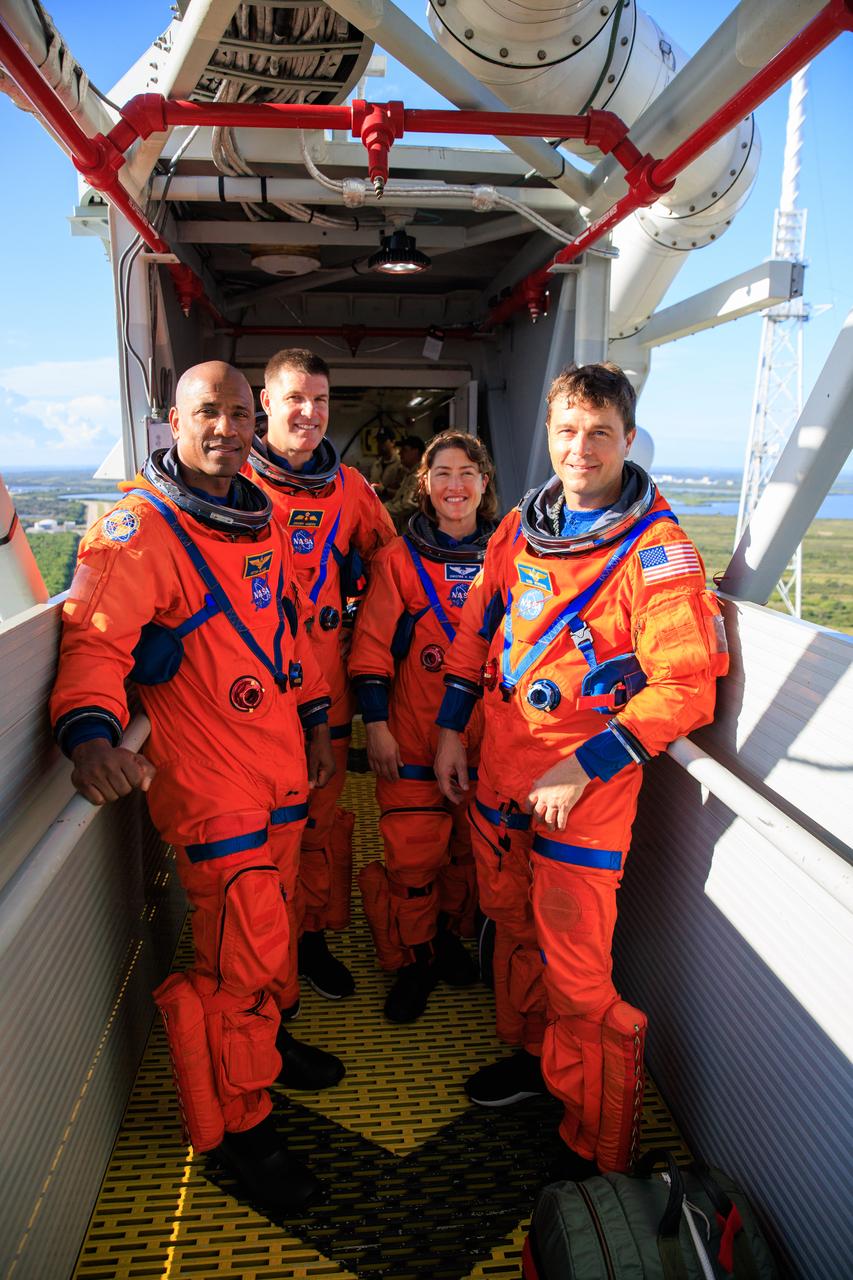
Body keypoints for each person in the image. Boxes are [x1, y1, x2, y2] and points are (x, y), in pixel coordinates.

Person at [49, 361, 345, 1213]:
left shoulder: (260, 520)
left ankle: (272, 1047)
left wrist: (320, 728)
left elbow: (288, 638)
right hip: (215, 793)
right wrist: (93, 735)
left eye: (238, 413)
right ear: (170, 421)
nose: (225, 427)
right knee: (238, 969)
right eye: (205, 412)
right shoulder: (136, 531)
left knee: (274, 942)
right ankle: (241, 1131)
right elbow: (94, 646)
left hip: (282, 772)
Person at [434, 363, 729, 1177]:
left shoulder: (657, 551)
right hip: (499, 775)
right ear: (549, 436)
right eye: (567, 430)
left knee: (576, 974)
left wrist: (584, 763)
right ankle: (538, 1068)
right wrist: (452, 730)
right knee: (514, 927)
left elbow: (685, 687)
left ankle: (592, 1151)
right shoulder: (519, 532)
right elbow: (473, 634)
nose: (581, 447)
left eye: (599, 432)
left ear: (627, 439)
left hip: (582, 794)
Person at [250, 349, 396, 1000]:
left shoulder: (351, 491)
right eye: (294, 399)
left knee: (317, 824)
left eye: (320, 401)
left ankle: (309, 942)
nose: (309, 413)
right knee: (260, 837)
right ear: (265, 403)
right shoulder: (234, 487)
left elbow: (392, 570)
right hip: (253, 700)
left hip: (327, 692)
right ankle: (266, 964)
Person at [350, 431, 498, 1021]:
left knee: (467, 858)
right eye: (442, 473)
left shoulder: (511, 558)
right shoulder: (397, 560)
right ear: (424, 484)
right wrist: (377, 729)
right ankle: (415, 960)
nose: (454, 485)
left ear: (484, 484)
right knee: (414, 865)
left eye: (467, 473)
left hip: (486, 745)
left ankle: (444, 941)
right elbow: (369, 654)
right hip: (412, 739)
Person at [384, 434, 426, 532]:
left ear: (416, 452)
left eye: (404, 450)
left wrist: (381, 509)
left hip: (413, 534)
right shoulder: (410, 474)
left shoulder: (419, 476)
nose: (400, 454)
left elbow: (407, 504)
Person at [369, 425, 405, 498]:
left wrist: (384, 491)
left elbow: (403, 495)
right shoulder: (376, 464)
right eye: (378, 441)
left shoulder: (401, 463)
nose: (380, 444)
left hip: (391, 507)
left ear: (393, 442)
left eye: (383, 441)